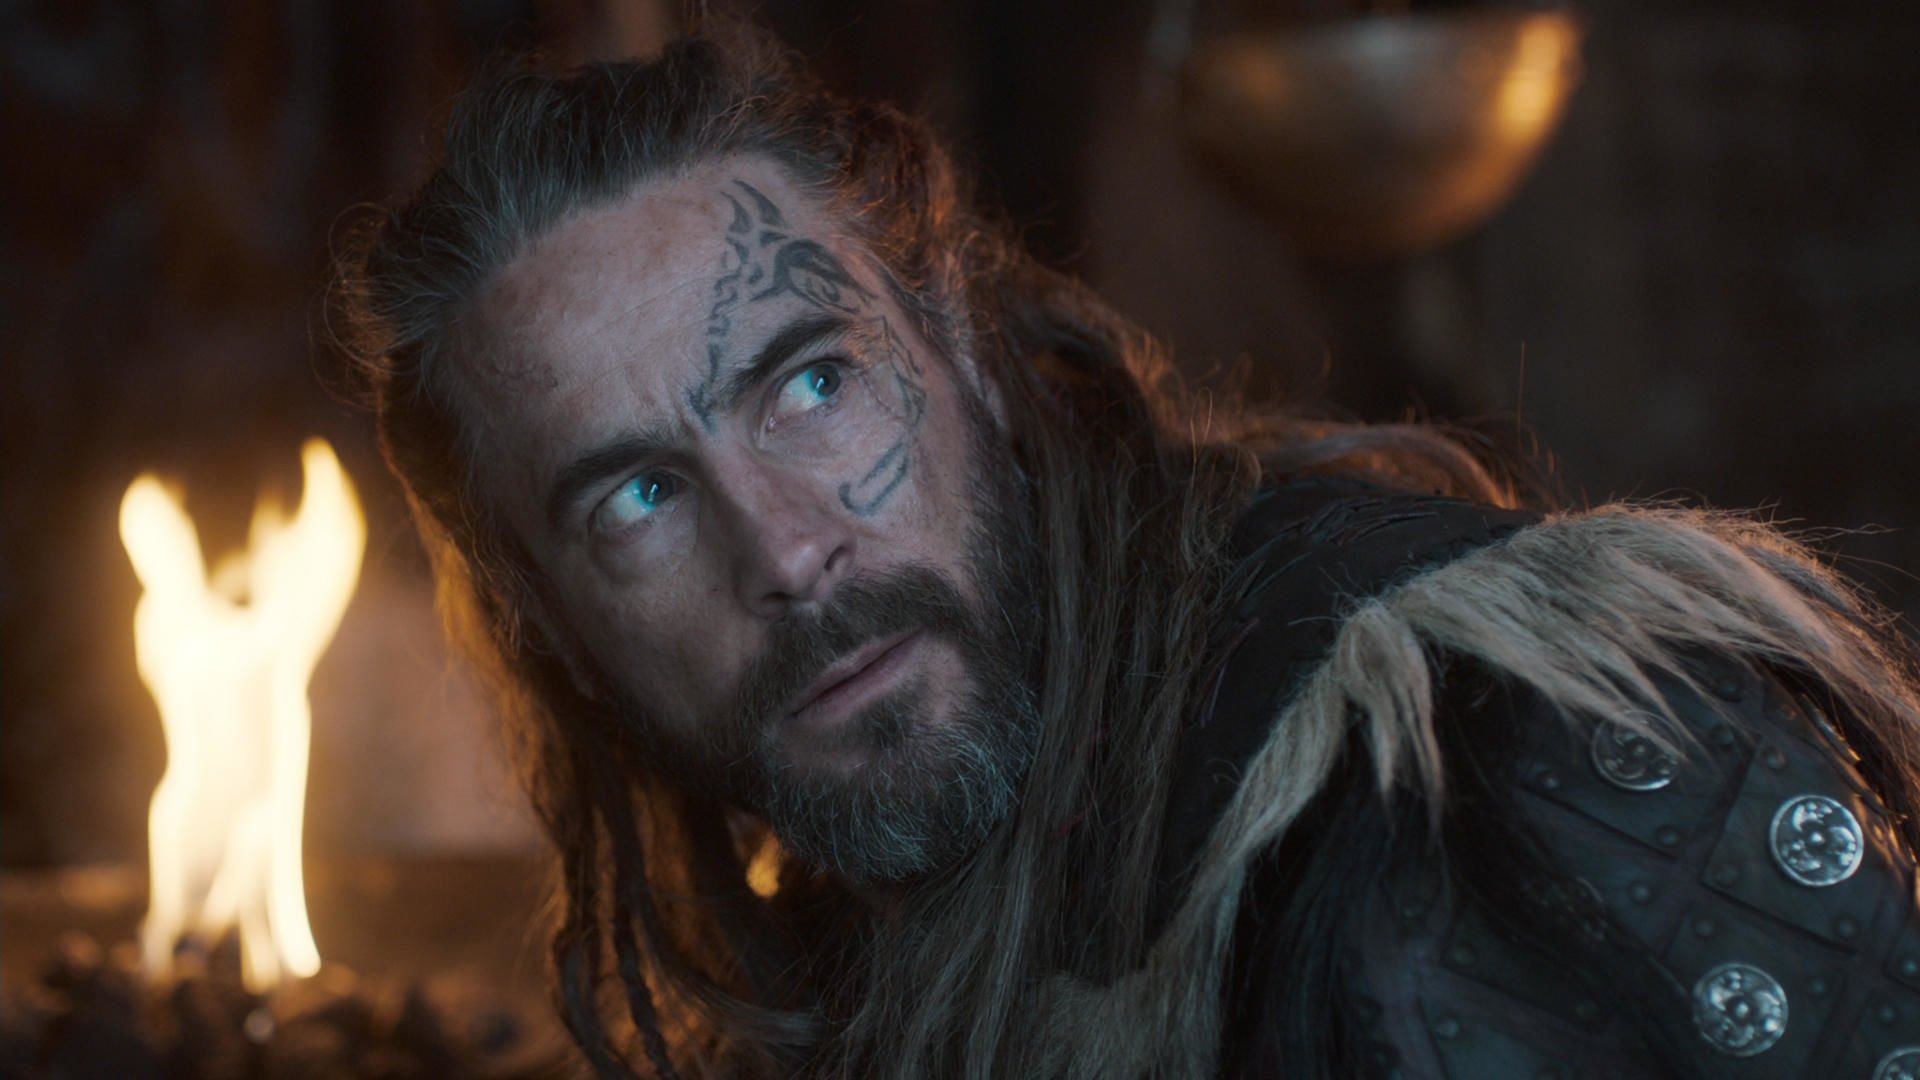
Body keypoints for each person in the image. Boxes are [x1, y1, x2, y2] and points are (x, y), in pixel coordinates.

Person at [336, 26, 1920, 1080]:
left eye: (812, 387)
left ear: (962, 349)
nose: (789, 554)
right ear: (546, 620)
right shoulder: (855, 939)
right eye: (636, 499)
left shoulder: (1488, 768)